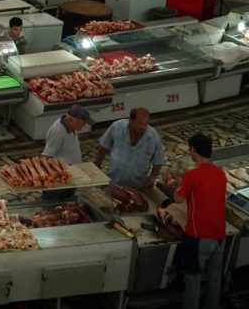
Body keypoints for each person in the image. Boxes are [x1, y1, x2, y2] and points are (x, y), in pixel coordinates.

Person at [164, 133, 226, 309]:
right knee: (214, 277)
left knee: (193, 278)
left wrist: (174, 183)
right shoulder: (220, 173)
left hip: (198, 236)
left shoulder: (192, 175)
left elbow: (177, 199)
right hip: (219, 236)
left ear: (193, 150)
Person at [94, 107, 165, 189]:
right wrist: (98, 163)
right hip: (113, 181)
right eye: (140, 123)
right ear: (131, 120)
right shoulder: (117, 127)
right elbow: (104, 146)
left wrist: (152, 178)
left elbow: (158, 161)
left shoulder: (153, 137)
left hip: (137, 185)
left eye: (146, 124)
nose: (143, 127)